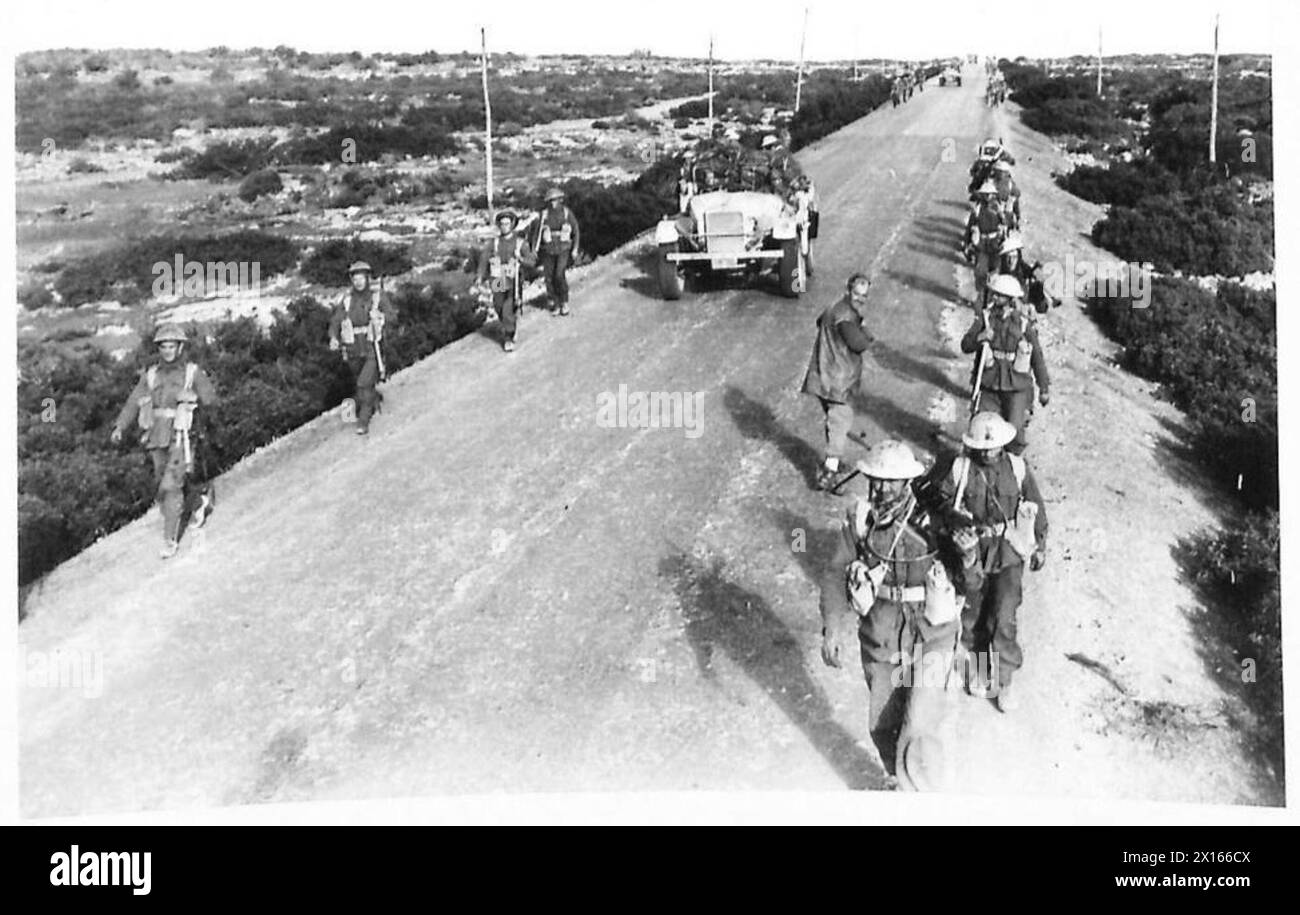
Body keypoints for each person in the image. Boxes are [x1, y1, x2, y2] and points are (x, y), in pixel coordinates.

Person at [820, 439, 964, 788]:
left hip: (932, 632)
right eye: (875, 479)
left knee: (919, 724)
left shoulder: (935, 518)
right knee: (883, 724)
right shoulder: (861, 519)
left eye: (891, 480)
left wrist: (968, 553)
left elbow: (970, 580)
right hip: (881, 633)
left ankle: (917, 791)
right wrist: (832, 627)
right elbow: (836, 570)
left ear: (907, 481)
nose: (882, 488)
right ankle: (896, 775)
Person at [935, 412, 1048, 712]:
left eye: (993, 446)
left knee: (1004, 611)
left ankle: (1005, 678)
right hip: (971, 552)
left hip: (1009, 549)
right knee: (972, 614)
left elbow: (1035, 504)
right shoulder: (960, 468)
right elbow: (940, 501)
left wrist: (1041, 544)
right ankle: (980, 669)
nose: (987, 451)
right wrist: (955, 518)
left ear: (1003, 444)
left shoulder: (1017, 468)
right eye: (981, 446)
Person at [111, 323, 219, 559]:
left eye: (172, 346)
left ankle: (170, 540)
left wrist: (194, 397)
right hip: (156, 436)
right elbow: (133, 401)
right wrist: (120, 426)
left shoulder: (192, 372)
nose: (167, 351)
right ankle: (198, 502)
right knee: (163, 485)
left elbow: (210, 399)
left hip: (182, 435)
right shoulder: (150, 375)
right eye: (163, 347)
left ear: (180, 347)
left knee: (171, 485)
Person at [800, 274, 875, 491]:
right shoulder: (847, 317)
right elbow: (858, 344)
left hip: (822, 376)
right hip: (839, 381)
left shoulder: (834, 307)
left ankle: (832, 462)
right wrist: (866, 332)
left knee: (833, 423)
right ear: (849, 290)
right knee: (840, 424)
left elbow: (819, 322)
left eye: (865, 296)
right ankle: (829, 473)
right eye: (858, 294)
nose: (861, 299)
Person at [961, 274, 1050, 453]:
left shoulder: (1024, 324)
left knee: (1015, 432)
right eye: (994, 293)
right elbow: (966, 345)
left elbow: (1037, 357)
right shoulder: (985, 319)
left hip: (1016, 386)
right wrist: (980, 337)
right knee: (981, 427)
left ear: (1010, 299)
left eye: (999, 295)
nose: (994, 297)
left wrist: (1044, 388)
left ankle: (1012, 468)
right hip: (989, 383)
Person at [329, 261, 394, 433]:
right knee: (361, 384)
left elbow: (392, 316)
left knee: (363, 383)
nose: (358, 282)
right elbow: (336, 321)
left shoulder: (377, 296)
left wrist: (380, 316)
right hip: (352, 349)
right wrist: (334, 337)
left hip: (372, 346)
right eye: (355, 278)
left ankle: (363, 421)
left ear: (367, 278)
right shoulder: (347, 300)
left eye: (361, 278)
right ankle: (370, 402)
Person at [476, 210, 536, 352]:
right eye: (502, 224)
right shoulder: (494, 243)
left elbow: (531, 261)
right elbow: (484, 258)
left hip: (513, 280)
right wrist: (480, 276)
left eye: (507, 224)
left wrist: (520, 259)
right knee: (498, 306)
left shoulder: (521, 243)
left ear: (512, 225)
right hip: (498, 279)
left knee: (508, 308)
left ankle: (508, 336)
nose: (504, 227)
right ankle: (511, 325)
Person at [533, 187, 581, 316]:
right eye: (550, 200)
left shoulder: (566, 213)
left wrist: (575, 248)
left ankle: (564, 301)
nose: (553, 203)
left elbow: (576, 231)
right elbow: (536, 234)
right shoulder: (544, 215)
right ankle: (553, 301)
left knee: (559, 274)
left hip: (563, 248)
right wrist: (534, 249)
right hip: (548, 249)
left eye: (555, 200)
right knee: (548, 277)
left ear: (560, 200)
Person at [964, 181, 1009, 298]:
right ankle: (981, 296)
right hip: (982, 243)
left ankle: (991, 297)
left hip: (995, 242)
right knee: (981, 271)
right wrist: (967, 244)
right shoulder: (978, 209)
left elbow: (1005, 224)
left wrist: (1002, 217)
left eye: (990, 194)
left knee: (995, 271)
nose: (988, 197)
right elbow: (970, 226)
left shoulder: (997, 207)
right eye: (985, 194)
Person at [998, 233, 1059, 314]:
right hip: (1017, 296)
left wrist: (1035, 267)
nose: (1011, 261)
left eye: (1014, 257)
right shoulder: (1001, 269)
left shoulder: (1020, 265)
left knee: (1039, 285)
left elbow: (1028, 272)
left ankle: (1051, 299)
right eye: (1008, 257)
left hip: (1025, 291)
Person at [991, 160, 1021, 230]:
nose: (1000, 174)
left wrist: (1018, 216)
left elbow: (1016, 194)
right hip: (994, 205)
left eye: (1002, 172)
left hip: (1005, 206)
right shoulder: (991, 180)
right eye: (998, 171)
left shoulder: (1010, 183)